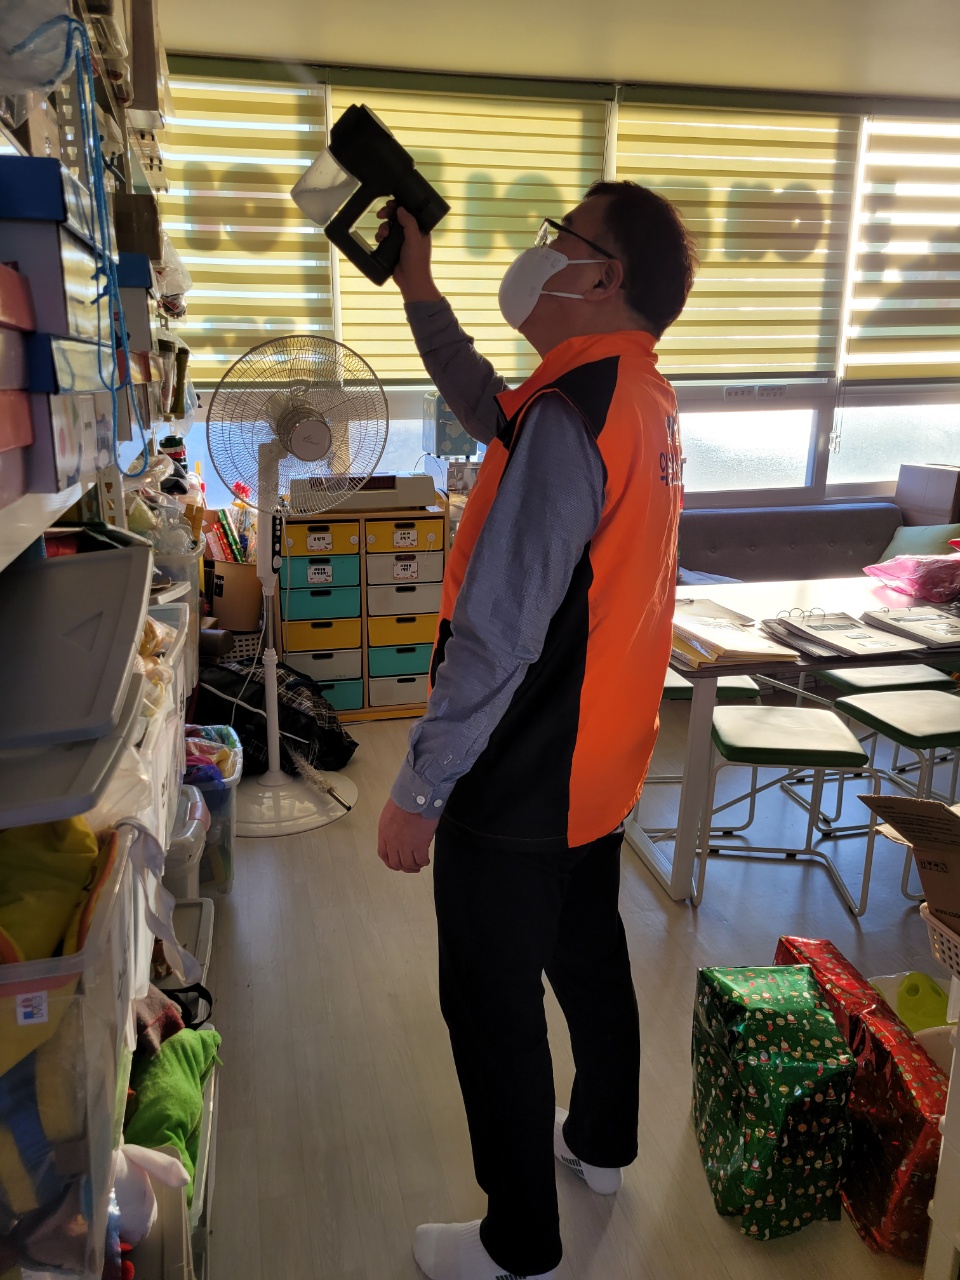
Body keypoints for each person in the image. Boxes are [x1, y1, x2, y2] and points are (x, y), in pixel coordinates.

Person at [376, 181, 697, 1280]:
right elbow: (488, 404)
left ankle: (518, 1246)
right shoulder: (633, 394)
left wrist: (421, 787)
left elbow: (498, 630)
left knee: (489, 999)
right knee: (587, 952)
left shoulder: (573, 413)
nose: (543, 249)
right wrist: (419, 288)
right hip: (600, 759)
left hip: (521, 770)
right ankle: (600, 1141)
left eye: (564, 235)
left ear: (605, 276)